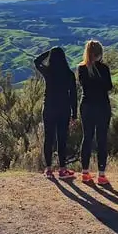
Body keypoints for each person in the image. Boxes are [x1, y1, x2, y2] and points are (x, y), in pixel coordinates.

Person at [34, 47, 78, 179]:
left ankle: (48, 169)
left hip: (48, 108)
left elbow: (36, 61)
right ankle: (62, 169)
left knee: (48, 138)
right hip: (64, 109)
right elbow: (73, 96)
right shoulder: (69, 74)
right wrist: (74, 114)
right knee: (62, 139)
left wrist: (49, 52)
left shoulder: (48, 72)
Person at [78, 40, 113, 186]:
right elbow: (109, 86)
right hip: (102, 106)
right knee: (102, 139)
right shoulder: (104, 68)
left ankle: (85, 173)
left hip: (86, 105)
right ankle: (102, 175)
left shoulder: (81, 68)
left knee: (87, 137)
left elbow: (82, 85)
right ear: (100, 53)